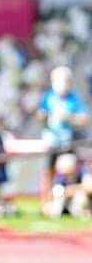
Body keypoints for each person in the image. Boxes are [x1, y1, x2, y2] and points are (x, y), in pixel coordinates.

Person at [38, 65, 89, 202]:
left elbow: (84, 118)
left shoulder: (74, 99)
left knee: (69, 169)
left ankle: (68, 199)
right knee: (49, 170)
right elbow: (40, 115)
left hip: (68, 141)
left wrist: (68, 117)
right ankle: (47, 200)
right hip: (51, 140)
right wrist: (45, 116)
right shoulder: (48, 97)